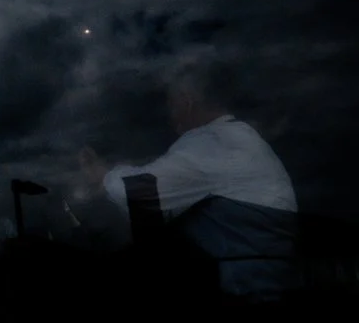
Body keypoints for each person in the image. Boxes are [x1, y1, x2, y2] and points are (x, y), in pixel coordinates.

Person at [77, 59, 299, 302]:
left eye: (172, 103)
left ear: (187, 100)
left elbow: (142, 191)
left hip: (245, 298)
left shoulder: (214, 142)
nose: (171, 115)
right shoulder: (240, 138)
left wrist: (101, 175)